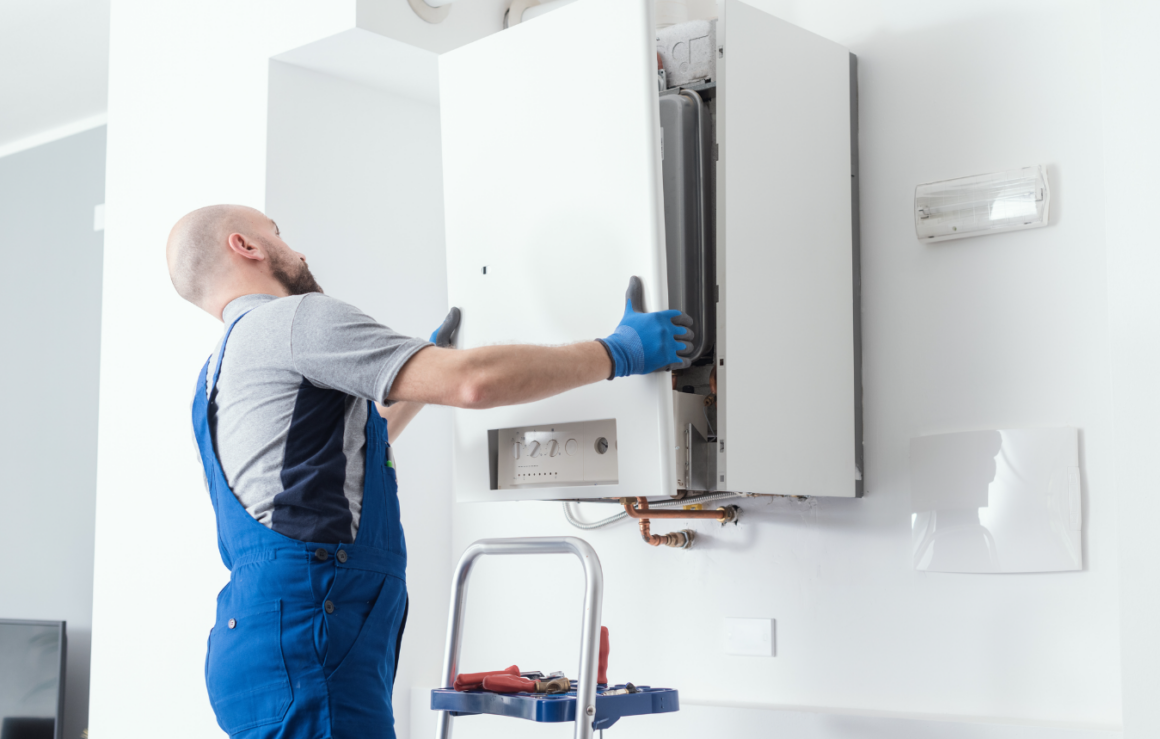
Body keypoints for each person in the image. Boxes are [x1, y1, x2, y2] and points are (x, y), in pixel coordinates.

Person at [165, 204, 694, 739]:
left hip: (257, 647)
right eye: (277, 234)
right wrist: (617, 353)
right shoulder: (296, 319)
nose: (298, 251)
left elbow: (341, 456)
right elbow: (473, 383)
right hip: (310, 634)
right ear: (246, 247)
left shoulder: (214, 375)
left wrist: (416, 376)